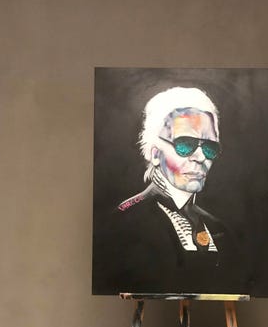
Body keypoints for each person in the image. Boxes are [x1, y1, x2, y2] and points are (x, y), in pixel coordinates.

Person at [96, 87, 238, 294]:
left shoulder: (219, 229)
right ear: (155, 154)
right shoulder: (124, 222)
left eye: (209, 147)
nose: (200, 158)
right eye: (185, 144)